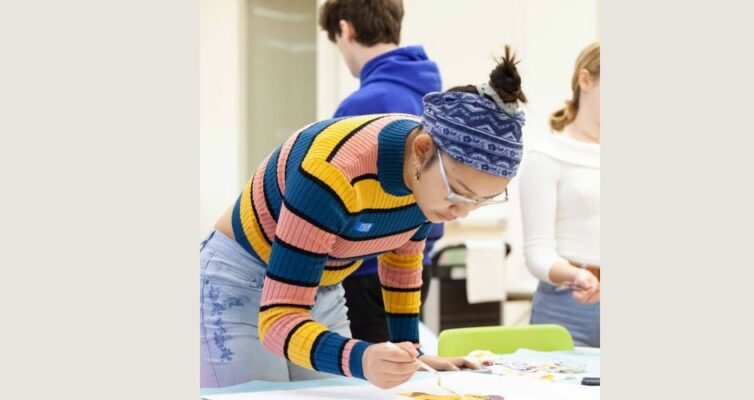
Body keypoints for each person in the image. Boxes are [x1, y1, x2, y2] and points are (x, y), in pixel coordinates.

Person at [200, 46, 528, 389]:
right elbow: (279, 319)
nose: (461, 211)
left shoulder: (431, 181)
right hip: (237, 280)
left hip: (322, 287)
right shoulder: (332, 173)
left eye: (481, 201)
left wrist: (409, 351)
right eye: (458, 192)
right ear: (422, 151)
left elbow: (402, 259)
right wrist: (362, 358)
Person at [318, 0, 445, 343]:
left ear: (346, 29)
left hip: (368, 271)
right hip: (420, 262)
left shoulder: (361, 106)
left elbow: (327, 198)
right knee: (403, 367)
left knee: (371, 381)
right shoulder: (434, 95)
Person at [519, 42, 601, 347]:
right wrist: (576, 276)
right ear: (585, 80)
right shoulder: (547, 155)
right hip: (567, 308)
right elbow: (537, 252)